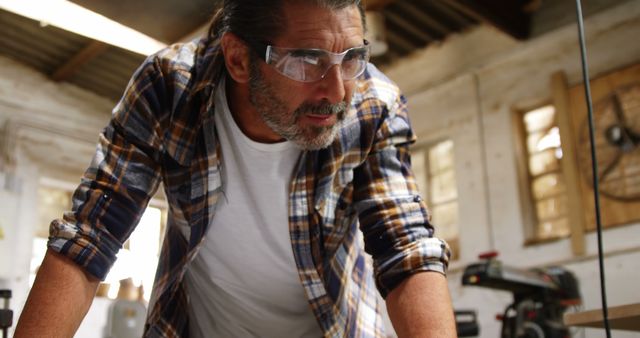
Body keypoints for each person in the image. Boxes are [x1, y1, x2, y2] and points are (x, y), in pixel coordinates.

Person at [15, 0, 456, 337]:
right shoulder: (170, 89)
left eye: (352, 58)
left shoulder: (372, 104)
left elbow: (405, 250)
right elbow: (90, 238)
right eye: (308, 60)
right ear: (239, 59)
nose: (337, 89)